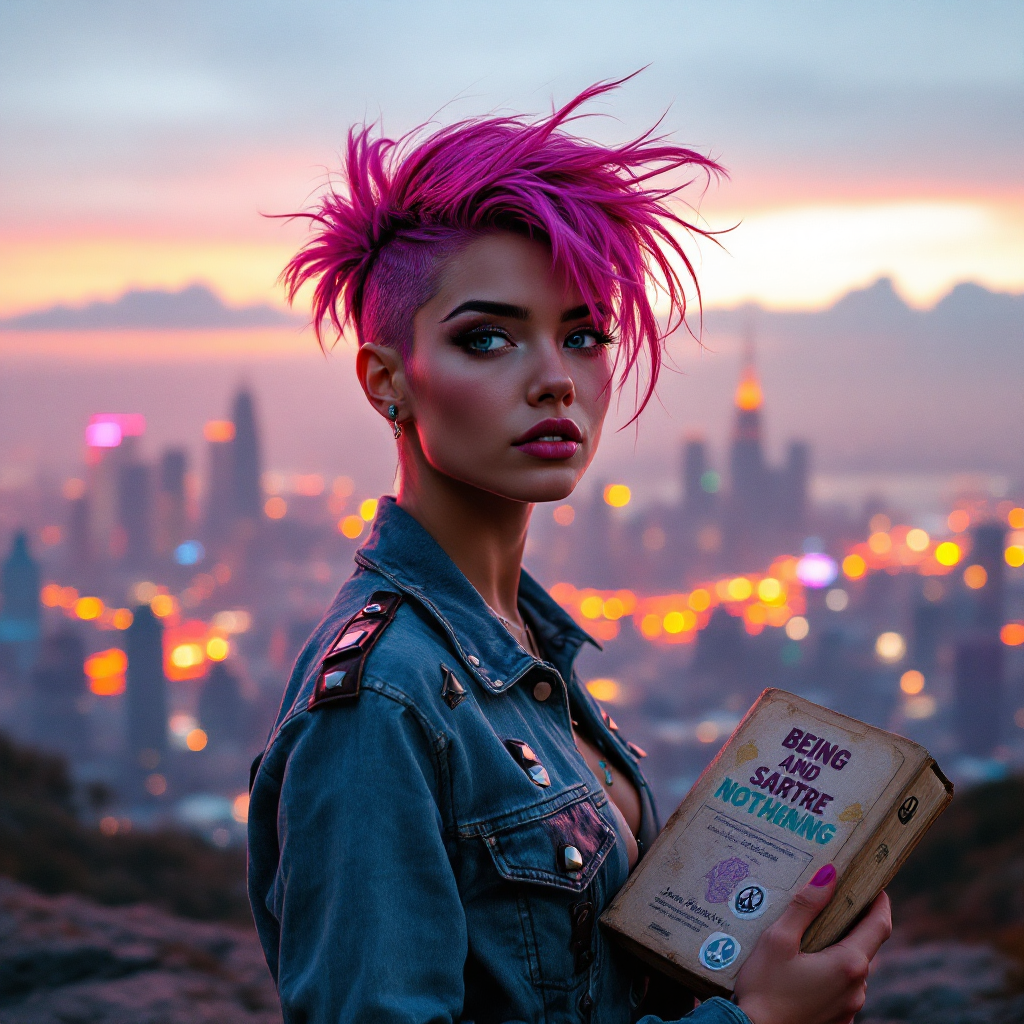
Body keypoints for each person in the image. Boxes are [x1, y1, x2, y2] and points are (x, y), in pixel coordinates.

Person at [247, 79, 891, 1024]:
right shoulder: (381, 706)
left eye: (584, 334)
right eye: (488, 338)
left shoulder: (523, 656)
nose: (555, 378)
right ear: (388, 381)